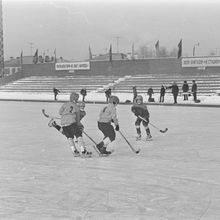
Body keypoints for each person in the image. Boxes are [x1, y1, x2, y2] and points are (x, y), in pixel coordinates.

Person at [57, 92, 91, 157]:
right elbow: (78, 119)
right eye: (77, 99)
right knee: (79, 135)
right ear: (75, 99)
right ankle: (83, 151)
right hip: (72, 123)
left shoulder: (65, 104)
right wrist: (79, 125)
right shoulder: (76, 107)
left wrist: (66, 114)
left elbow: (60, 112)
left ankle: (74, 151)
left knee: (69, 137)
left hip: (63, 124)